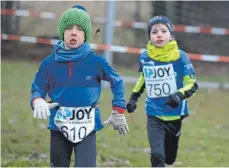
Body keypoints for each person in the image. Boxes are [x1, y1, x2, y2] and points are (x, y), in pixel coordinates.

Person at [30, 5, 129, 167]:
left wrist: (118, 111)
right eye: (69, 28)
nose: (74, 32)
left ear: (86, 35)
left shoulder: (96, 62)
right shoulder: (49, 63)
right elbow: (37, 87)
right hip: (58, 127)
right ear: (63, 32)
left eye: (80, 29)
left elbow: (117, 81)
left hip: (87, 128)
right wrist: (37, 100)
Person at [126, 15, 198, 167]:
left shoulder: (180, 57)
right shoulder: (145, 57)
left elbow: (192, 84)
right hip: (154, 114)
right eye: (154, 32)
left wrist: (178, 95)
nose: (159, 34)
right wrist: (133, 98)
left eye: (163, 31)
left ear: (171, 35)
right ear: (149, 37)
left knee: (169, 158)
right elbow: (143, 78)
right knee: (157, 154)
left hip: (175, 115)